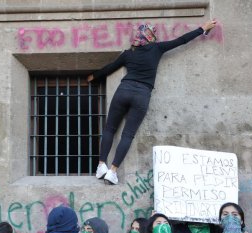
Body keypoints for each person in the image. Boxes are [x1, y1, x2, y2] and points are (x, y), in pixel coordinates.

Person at [89, 20, 217, 184]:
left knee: (109, 129)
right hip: (142, 94)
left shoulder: (129, 53)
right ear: (151, 37)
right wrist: (202, 29)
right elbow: (181, 40)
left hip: (124, 90)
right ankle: (113, 171)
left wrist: (93, 77)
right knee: (128, 134)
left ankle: (101, 165)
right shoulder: (157, 48)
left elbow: (110, 67)